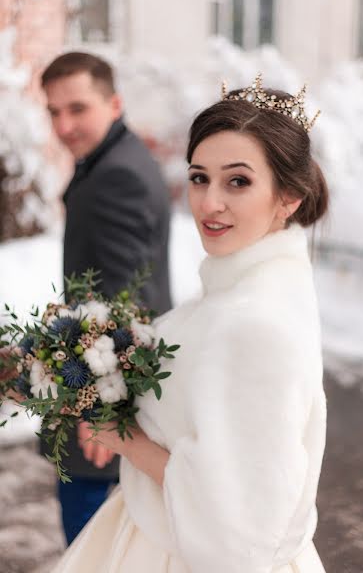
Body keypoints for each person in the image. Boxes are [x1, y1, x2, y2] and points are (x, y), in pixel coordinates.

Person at [52, 75, 328, 572]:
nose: (209, 202)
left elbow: (237, 525)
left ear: (288, 197)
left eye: (237, 181)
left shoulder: (256, 323)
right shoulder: (235, 294)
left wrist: (121, 436)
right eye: (200, 177)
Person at [40, 52, 172, 545]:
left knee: (95, 544)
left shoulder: (117, 175)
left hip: (105, 398)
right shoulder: (118, 158)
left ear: (114, 102)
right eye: (53, 111)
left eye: (77, 108)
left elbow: (126, 300)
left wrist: (99, 412)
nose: (64, 124)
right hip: (106, 382)